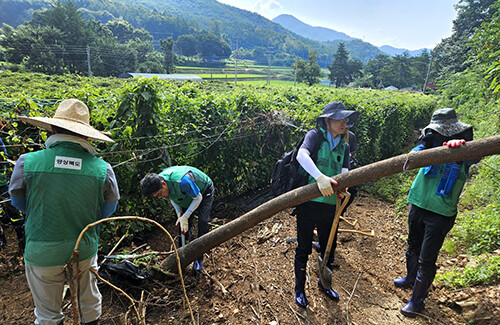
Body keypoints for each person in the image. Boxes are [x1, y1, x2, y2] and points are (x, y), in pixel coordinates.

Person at [9, 99, 120, 325]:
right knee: (89, 303)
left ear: (52, 128)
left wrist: (41, 215)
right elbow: (109, 208)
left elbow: (17, 201)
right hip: (84, 248)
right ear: (86, 135)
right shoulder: (102, 169)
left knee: (47, 313)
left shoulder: (27, 162)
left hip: (42, 251)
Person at [394, 108, 478, 317]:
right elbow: (414, 155)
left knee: (427, 257)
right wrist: (424, 151)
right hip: (418, 203)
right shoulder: (429, 141)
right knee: (412, 245)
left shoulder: (466, 150)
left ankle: (417, 300)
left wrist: (459, 150)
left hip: (440, 213)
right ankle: (410, 278)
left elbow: (475, 158)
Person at [293, 101, 359, 308]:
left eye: (346, 120)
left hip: (331, 206)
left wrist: (344, 187)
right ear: (328, 120)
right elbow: (301, 155)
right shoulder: (315, 136)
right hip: (308, 203)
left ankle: (325, 283)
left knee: (328, 247)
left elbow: (345, 171)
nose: (344, 123)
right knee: (303, 248)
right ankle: (299, 289)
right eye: (340, 119)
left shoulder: (344, 145)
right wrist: (320, 177)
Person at [140, 166, 214, 271]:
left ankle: (199, 258)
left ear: (164, 184)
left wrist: (186, 215)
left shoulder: (182, 182)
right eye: (157, 196)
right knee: (182, 227)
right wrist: (180, 214)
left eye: (160, 194)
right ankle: (182, 257)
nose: (160, 197)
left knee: (202, 221)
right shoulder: (162, 185)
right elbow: (173, 198)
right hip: (186, 196)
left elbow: (198, 198)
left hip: (203, 191)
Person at [0, 136, 25, 251]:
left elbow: (3, 158)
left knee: (13, 211)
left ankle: (21, 239)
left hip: (2, 183)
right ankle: (2, 241)